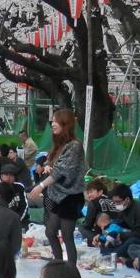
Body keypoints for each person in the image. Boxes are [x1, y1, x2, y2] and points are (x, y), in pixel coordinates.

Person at [28, 110, 85, 264]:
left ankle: (70, 270)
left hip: (70, 196)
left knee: (67, 235)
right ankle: (58, 263)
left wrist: (41, 185)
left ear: (65, 124)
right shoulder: (61, 145)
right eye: (52, 121)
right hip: (57, 195)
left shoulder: (74, 145)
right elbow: (52, 162)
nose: (52, 124)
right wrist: (47, 166)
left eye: (55, 121)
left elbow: (63, 170)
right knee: (50, 231)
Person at [104, 182, 140, 262]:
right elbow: (120, 223)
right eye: (114, 202)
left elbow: (139, 234)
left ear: (127, 199)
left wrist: (120, 235)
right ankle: (108, 252)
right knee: (112, 235)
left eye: (118, 202)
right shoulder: (124, 208)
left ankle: (111, 255)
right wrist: (107, 230)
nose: (116, 204)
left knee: (131, 241)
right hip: (135, 236)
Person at [0, 163, 30, 228]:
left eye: (11, 175)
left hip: (19, 221)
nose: (8, 177)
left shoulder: (19, 187)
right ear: (1, 176)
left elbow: (24, 206)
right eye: (6, 174)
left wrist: (17, 221)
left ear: (15, 177)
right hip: (1, 222)